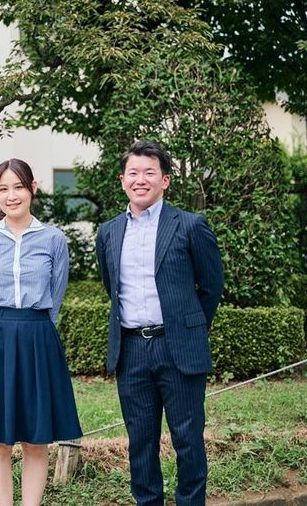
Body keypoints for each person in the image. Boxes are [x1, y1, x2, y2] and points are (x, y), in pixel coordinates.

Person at [95, 141, 224, 505]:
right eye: (133, 173)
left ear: (165, 180)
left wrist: (188, 328)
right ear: (122, 180)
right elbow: (110, 284)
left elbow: (212, 285)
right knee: (140, 442)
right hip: (131, 349)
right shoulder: (108, 232)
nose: (141, 180)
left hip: (178, 347)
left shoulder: (190, 225)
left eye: (149, 172)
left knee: (188, 440)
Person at [0, 158, 82, 506]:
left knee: (36, 437)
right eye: (3, 189)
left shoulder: (54, 239)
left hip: (38, 337)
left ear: (33, 189)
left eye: (18, 187)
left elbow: (56, 295)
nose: (11, 195)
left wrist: (35, 329)